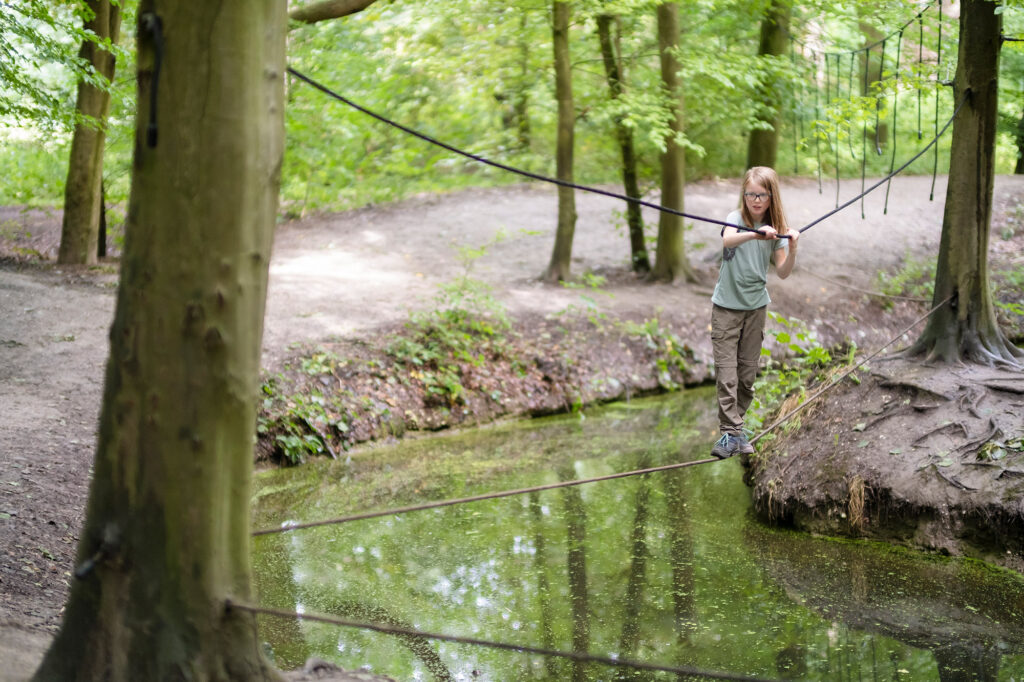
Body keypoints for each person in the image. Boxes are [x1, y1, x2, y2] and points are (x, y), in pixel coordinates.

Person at [710, 166, 799, 459]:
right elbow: (728, 239)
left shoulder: (777, 227)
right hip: (726, 307)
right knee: (727, 373)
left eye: (761, 195)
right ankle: (730, 433)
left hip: (755, 307)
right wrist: (754, 234)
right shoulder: (736, 219)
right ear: (744, 194)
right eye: (750, 194)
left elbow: (783, 272)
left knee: (747, 375)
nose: (755, 200)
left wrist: (792, 246)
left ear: (771, 195)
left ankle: (735, 432)